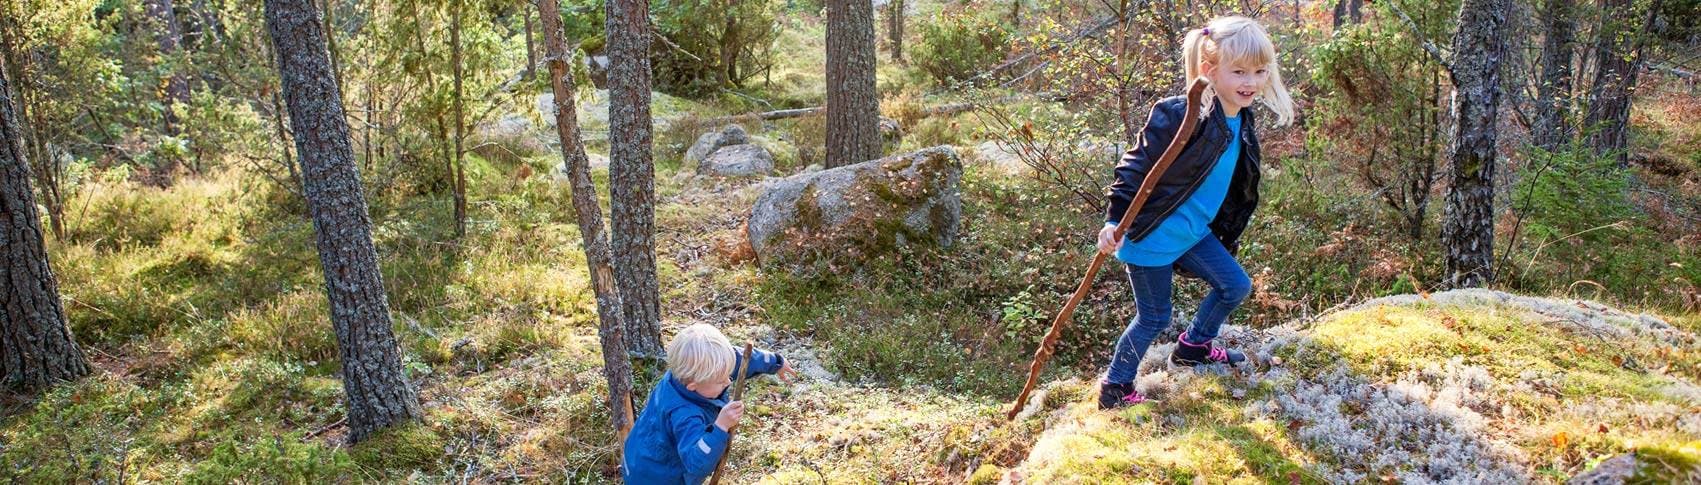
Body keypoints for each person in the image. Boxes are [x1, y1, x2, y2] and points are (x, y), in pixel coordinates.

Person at [1095, 15, 1297, 409]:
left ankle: (1193, 347)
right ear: (1210, 71)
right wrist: (1115, 219)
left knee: (1235, 286)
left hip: (1192, 232)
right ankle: (1115, 387)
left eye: (1259, 72)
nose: (1250, 82)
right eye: (1238, 71)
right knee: (1153, 318)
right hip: (1151, 234)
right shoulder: (1179, 115)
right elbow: (1135, 166)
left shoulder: (1241, 118)